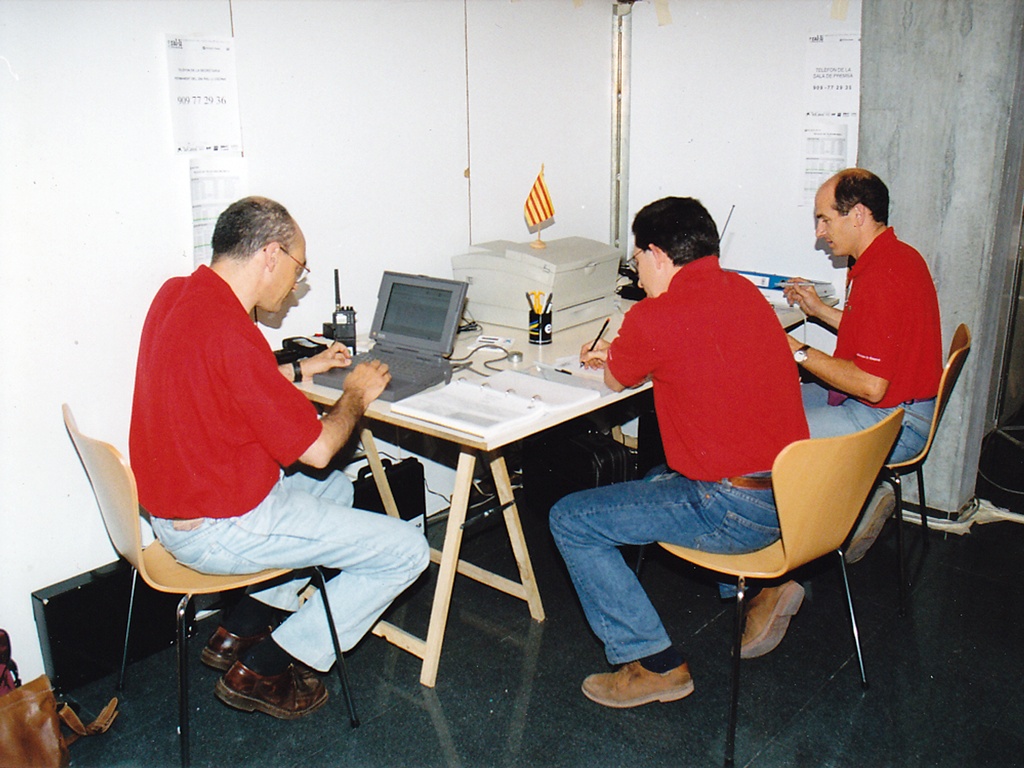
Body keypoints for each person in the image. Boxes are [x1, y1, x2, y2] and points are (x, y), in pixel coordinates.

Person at [129, 196, 430, 719]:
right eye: (298, 268)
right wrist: (355, 393)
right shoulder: (234, 332)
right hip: (220, 529)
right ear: (270, 254)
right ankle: (268, 666)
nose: (295, 285)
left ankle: (240, 626)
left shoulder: (177, 294)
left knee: (335, 490)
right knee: (408, 550)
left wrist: (302, 369)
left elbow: (226, 379)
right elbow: (319, 449)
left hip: (179, 512)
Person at [548, 196, 809, 709]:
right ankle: (762, 590)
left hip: (733, 508)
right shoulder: (744, 291)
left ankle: (653, 663)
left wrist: (616, 352)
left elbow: (615, 378)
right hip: (793, 497)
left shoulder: (654, 315)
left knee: (570, 520)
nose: (639, 273)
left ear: (658, 255)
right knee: (654, 480)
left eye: (637, 260)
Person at [782, 169, 942, 563]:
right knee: (776, 406)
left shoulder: (882, 276)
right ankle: (852, 506)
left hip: (892, 422)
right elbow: (875, 334)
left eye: (825, 219)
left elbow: (871, 385)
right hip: (904, 408)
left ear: (858, 215)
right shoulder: (895, 257)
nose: (819, 232)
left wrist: (795, 349)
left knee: (766, 437)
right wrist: (818, 310)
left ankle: (808, 541)